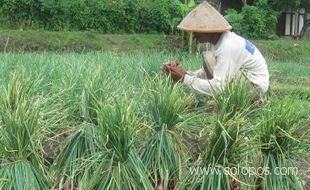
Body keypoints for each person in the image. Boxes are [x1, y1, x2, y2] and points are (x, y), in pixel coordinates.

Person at [162, 2, 269, 104]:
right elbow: (204, 73)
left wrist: (183, 78)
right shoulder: (214, 44)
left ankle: (253, 100)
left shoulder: (228, 46)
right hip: (243, 77)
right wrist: (183, 73)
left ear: (210, 30)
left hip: (255, 85)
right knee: (208, 58)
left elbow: (218, 87)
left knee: (220, 88)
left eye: (197, 31)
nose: (194, 34)